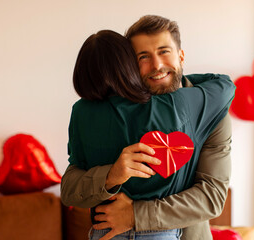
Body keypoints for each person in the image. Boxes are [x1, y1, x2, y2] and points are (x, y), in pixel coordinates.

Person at [62, 15, 234, 240]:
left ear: (181, 56)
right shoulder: (111, 111)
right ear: (130, 65)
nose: (157, 65)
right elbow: (70, 185)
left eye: (164, 51)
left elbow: (211, 197)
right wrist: (110, 175)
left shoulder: (212, 111)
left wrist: (135, 215)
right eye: (143, 57)